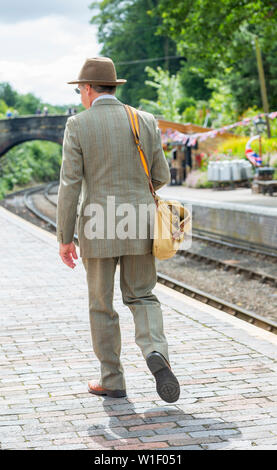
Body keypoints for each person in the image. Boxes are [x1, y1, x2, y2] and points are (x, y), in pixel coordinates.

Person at [56, 57, 180, 403]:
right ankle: (156, 350)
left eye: (81, 89)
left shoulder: (78, 124)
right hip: (140, 221)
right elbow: (161, 177)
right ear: (114, 86)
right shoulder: (144, 120)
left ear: (87, 89)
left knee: (101, 304)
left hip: (97, 224)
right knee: (142, 295)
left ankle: (112, 379)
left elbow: (70, 184)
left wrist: (65, 237)